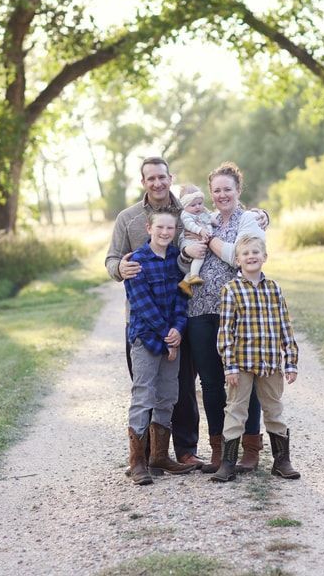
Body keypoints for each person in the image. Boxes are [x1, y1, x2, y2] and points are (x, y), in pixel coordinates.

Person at [105, 157, 204, 469]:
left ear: (170, 178)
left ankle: (185, 450)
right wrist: (118, 267)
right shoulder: (128, 218)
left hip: (181, 312)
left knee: (181, 387)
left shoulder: (187, 212)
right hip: (142, 318)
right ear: (143, 182)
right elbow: (111, 260)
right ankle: (144, 457)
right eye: (151, 178)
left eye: (162, 177)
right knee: (144, 385)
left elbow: (218, 224)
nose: (158, 183)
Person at [183, 161, 268, 474]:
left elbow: (237, 255)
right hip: (200, 310)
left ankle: (250, 447)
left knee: (246, 377)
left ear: (238, 190)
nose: (221, 195)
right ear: (210, 193)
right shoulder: (205, 220)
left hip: (238, 312)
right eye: (216, 190)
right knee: (211, 383)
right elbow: (186, 250)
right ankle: (220, 448)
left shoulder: (249, 220)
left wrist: (211, 242)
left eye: (227, 189)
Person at [211, 235, 300, 483]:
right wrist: (229, 366)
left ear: (264, 257)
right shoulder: (231, 290)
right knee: (236, 409)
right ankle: (227, 463)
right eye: (245, 254)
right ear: (237, 261)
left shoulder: (274, 288)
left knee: (274, 409)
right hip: (241, 363)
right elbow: (225, 331)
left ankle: (282, 461)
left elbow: (285, 326)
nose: (251, 256)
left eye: (255, 252)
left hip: (271, 362)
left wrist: (290, 361)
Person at [125, 210, 196, 485]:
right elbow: (142, 305)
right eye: (160, 227)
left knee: (168, 395)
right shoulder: (137, 262)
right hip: (146, 338)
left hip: (171, 338)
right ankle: (138, 462)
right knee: (144, 395)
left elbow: (183, 295)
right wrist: (167, 333)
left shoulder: (176, 260)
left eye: (170, 228)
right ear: (149, 228)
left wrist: (179, 328)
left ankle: (159, 456)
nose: (165, 232)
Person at [177, 184, 217, 297]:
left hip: (197, 240)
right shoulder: (186, 215)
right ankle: (194, 276)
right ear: (185, 206)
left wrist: (213, 220)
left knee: (200, 264)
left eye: (200, 203)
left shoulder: (202, 212)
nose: (197, 207)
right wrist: (201, 231)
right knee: (200, 255)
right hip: (188, 241)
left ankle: (185, 283)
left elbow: (209, 218)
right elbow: (190, 226)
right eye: (193, 205)